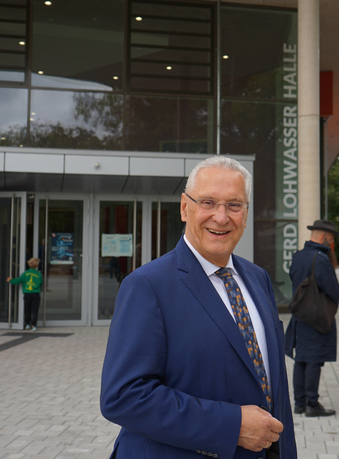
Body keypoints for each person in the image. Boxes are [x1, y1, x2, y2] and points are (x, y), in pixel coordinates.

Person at [100, 156, 296, 459]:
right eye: (208, 202)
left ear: (245, 214)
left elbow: (273, 383)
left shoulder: (259, 279)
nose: (221, 217)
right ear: (184, 207)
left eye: (234, 205)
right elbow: (123, 397)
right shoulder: (147, 285)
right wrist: (231, 425)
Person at [285, 219, 339, 417]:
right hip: (316, 316)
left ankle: (299, 403)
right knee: (314, 360)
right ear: (323, 237)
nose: (331, 243)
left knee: (301, 359)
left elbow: (294, 280)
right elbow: (333, 290)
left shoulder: (298, 256)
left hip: (299, 313)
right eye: (331, 239)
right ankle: (312, 404)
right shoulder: (321, 259)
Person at [6, 258, 43, 331]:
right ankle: (34, 325)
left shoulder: (25, 273)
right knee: (35, 310)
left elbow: (18, 281)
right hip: (35, 294)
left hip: (27, 294)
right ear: (36, 265)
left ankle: (27, 324)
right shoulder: (39, 274)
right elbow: (41, 283)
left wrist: (10, 280)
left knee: (27, 309)